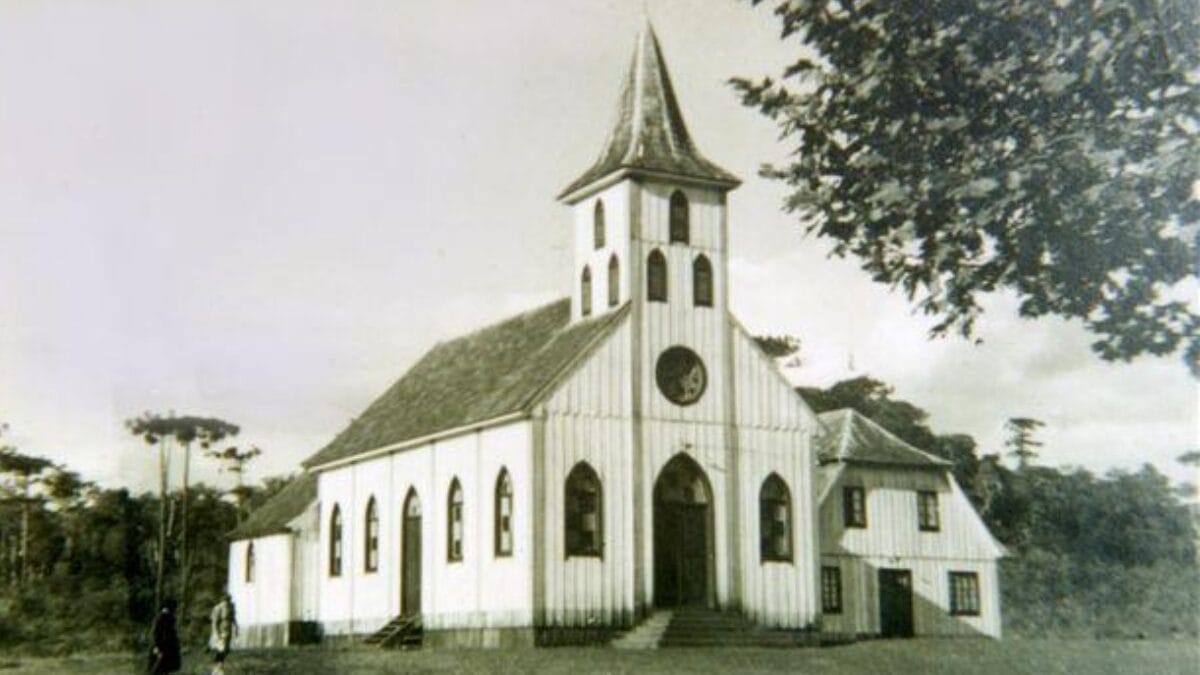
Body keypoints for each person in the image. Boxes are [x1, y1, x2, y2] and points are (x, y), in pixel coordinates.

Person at [148, 599, 181, 674]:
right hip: (162, 647)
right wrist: (157, 647)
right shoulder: (162, 617)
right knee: (157, 669)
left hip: (168, 647)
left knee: (165, 669)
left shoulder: (169, 617)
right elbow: (156, 633)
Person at [209, 592, 238, 675]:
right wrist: (216, 632)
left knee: (226, 650)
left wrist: (236, 627)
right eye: (226, 600)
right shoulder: (218, 608)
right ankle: (217, 668)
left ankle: (219, 666)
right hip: (221, 630)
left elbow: (233, 618)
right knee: (221, 649)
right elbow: (214, 622)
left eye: (228, 599)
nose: (227, 601)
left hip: (228, 629)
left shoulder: (231, 606)